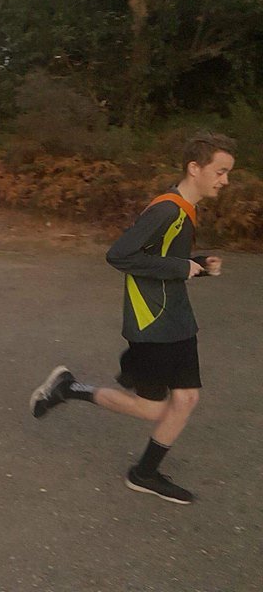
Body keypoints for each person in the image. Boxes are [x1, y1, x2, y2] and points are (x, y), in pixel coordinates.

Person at [30, 132, 237, 504]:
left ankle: (145, 473)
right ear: (195, 168)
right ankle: (70, 388)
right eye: (220, 172)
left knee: (186, 399)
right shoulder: (167, 209)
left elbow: (160, 258)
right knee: (154, 407)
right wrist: (180, 266)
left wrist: (199, 265)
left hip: (176, 319)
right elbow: (119, 255)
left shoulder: (185, 210)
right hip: (153, 323)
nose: (225, 180)